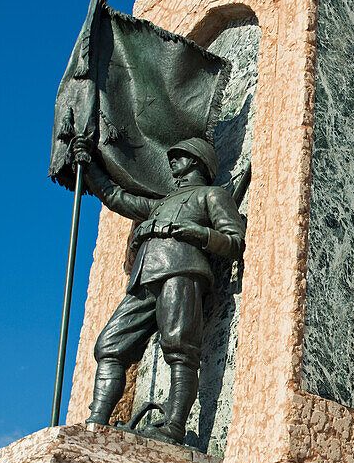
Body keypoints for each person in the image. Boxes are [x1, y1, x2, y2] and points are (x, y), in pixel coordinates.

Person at [73, 136, 246, 444]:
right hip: (144, 278)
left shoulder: (212, 195)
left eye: (178, 156)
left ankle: (174, 426)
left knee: (180, 347)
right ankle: (96, 422)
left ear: (196, 160)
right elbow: (115, 197)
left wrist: (196, 233)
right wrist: (88, 165)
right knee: (109, 345)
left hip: (182, 269)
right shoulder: (160, 202)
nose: (171, 161)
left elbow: (233, 241)